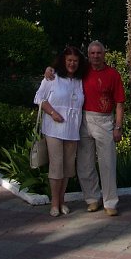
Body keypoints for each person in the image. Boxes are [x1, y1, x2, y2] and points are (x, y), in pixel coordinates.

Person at [45, 40, 126, 216]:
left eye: (99, 53)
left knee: (107, 163)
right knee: (84, 163)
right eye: (92, 53)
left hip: (104, 120)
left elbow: (120, 103)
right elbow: (64, 69)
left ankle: (110, 202)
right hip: (83, 120)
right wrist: (49, 69)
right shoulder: (83, 71)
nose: (96, 56)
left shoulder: (113, 74)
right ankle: (92, 199)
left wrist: (118, 126)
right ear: (88, 55)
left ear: (104, 54)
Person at [34, 47, 85, 217]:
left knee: (68, 167)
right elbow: (39, 98)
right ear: (64, 61)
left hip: (72, 130)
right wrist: (52, 113)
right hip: (54, 129)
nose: (72, 64)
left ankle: (62, 200)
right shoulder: (52, 77)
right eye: (69, 60)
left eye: (75, 61)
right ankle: (54, 203)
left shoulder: (79, 80)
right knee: (56, 165)